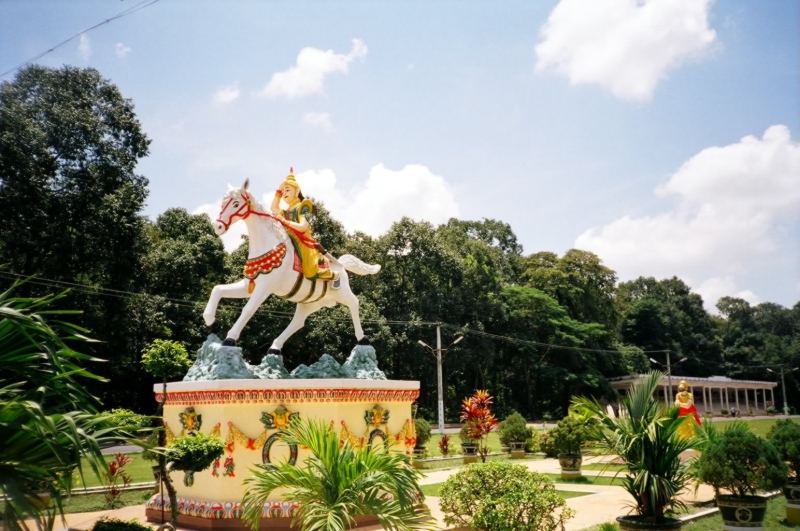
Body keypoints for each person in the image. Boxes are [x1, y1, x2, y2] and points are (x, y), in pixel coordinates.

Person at [270, 168, 339, 288]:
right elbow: (273, 208)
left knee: (310, 272)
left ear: (296, 192)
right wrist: (278, 191)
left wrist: (284, 221)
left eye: (288, 190)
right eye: (283, 191)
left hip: (303, 241)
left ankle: (334, 275)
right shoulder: (286, 211)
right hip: (288, 238)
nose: (284, 193)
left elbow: (303, 227)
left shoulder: (303, 207)